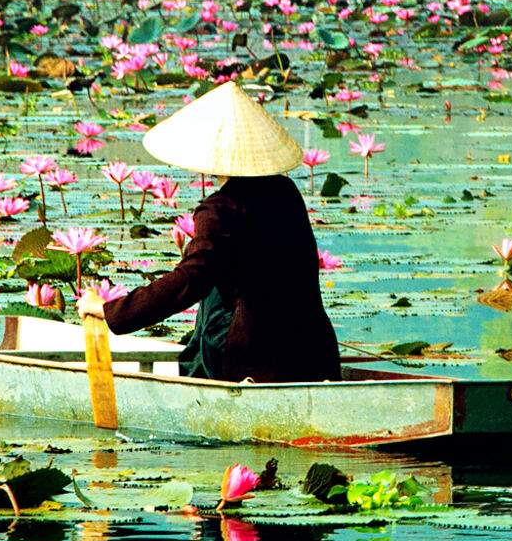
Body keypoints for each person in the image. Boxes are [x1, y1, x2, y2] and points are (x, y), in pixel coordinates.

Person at [101, 80, 343, 383]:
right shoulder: (286, 191)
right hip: (314, 355)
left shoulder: (218, 210)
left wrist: (111, 312)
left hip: (254, 362)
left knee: (213, 293)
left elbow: (190, 281)